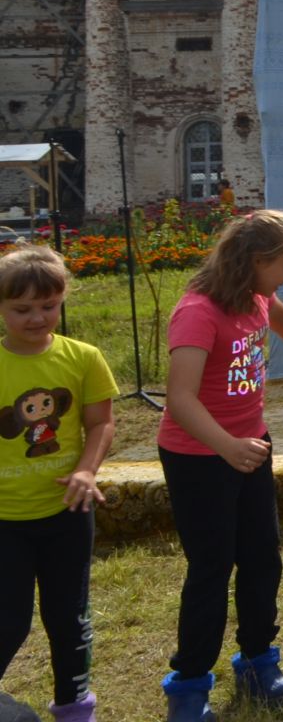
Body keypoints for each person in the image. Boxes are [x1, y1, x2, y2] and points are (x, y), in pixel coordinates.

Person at [156, 210, 283, 721]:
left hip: (250, 445)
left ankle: (259, 663)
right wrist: (227, 446)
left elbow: (277, 312)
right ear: (257, 261)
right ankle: (188, 689)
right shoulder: (198, 312)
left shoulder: (254, 294)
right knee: (212, 567)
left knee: (261, 556)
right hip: (200, 457)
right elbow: (180, 399)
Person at [0, 247, 116, 722]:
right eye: (21, 309)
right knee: (10, 620)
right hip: (5, 520)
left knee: (70, 618)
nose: (36, 318)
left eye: (47, 306)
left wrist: (87, 470)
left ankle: (74, 707)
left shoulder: (83, 358)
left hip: (68, 513)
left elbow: (101, 425)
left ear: (63, 298)